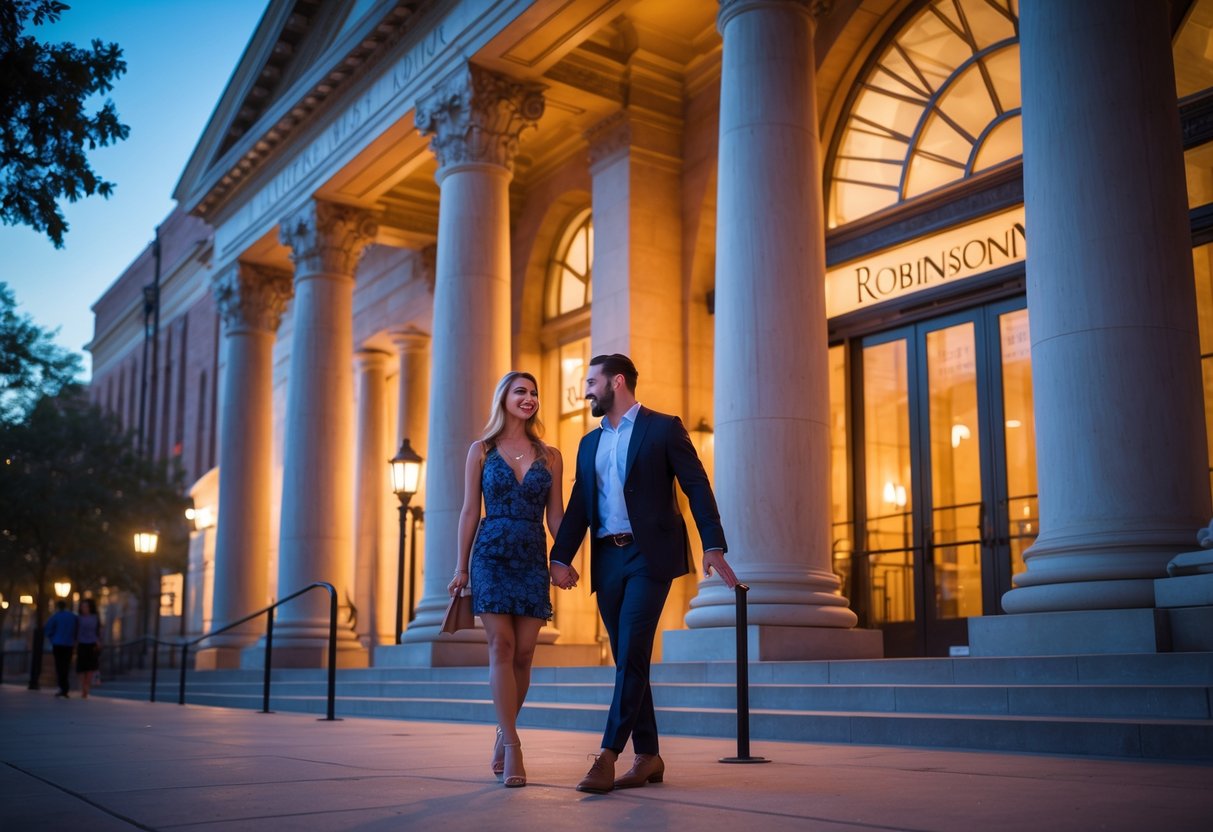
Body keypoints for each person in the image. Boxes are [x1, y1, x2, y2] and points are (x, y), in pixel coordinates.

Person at [550, 353, 738, 794]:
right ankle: (649, 755)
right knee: (628, 659)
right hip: (607, 558)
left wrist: (713, 544)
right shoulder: (589, 443)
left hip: (650, 556)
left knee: (633, 649)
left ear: (617, 382)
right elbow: (581, 506)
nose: (586, 391)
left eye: (592, 382)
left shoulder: (663, 427)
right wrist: (561, 557)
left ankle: (609, 755)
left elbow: (696, 485)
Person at [448, 371, 565, 788]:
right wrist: (461, 567)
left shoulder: (550, 455)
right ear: (504, 399)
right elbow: (468, 512)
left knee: (526, 653)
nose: (529, 398)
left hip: (532, 555)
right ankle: (514, 745)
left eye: (534, 392)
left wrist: (564, 558)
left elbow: (556, 516)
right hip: (491, 554)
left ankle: (503, 731)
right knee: (502, 645)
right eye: (521, 391)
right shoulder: (481, 451)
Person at [44, 599, 78, 698]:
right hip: (69, 644)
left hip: (58, 643)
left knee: (59, 665)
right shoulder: (72, 617)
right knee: (66, 665)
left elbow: (48, 630)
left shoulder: (55, 616)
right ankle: (65, 687)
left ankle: (62, 687)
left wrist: (52, 638)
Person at [75, 598, 103, 698]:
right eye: (82, 606)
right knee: (80, 668)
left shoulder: (95, 618)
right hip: (81, 643)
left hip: (92, 644)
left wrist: (99, 641)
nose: (84, 608)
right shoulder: (78, 618)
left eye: (86, 606)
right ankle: (84, 686)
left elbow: (99, 630)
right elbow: (76, 631)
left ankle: (86, 687)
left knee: (90, 667)